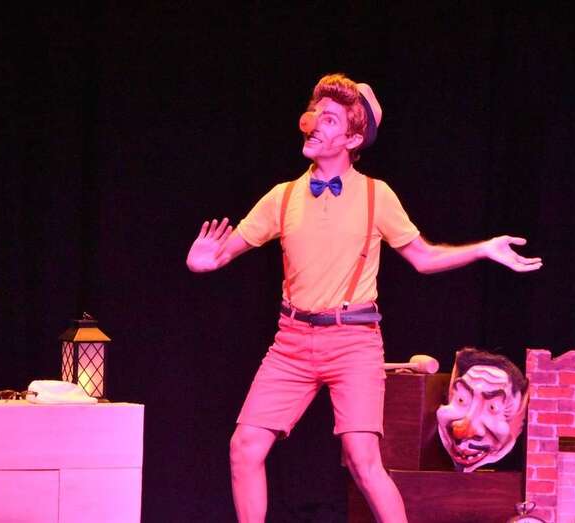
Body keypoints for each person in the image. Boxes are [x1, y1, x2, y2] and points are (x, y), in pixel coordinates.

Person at [186, 73, 542, 523]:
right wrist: (205, 261)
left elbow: (423, 258)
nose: (313, 123)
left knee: (363, 459)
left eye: (329, 119)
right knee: (245, 447)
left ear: (353, 139)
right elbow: (225, 251)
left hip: (352, 341)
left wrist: (483, 249)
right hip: (291, 341)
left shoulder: (377, 196)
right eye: (314, 113)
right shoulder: (283, 197)